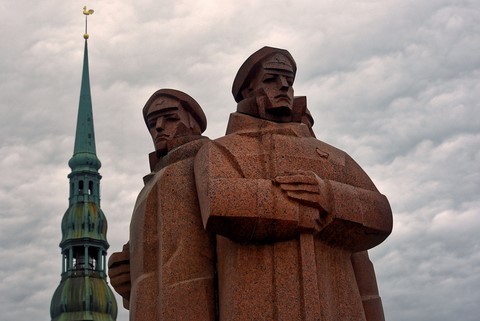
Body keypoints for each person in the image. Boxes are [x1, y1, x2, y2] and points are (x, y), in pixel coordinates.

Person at [194, 47, 393, 321]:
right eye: (271, 79)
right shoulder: (222, 151)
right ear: (246, 92)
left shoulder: (333, 156)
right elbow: (220, 201)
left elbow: (381, 212)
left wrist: (329, 196)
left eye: (288, 80)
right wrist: (302, 208)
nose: (284, 86)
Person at [108, 89, 215, 321]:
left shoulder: (207, 159)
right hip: (150, 306)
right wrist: (126, 274)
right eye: (152, 122)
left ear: (193, 123)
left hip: (193, 303)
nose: (158, 127)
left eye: (169, 118)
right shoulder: (149, 185)